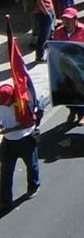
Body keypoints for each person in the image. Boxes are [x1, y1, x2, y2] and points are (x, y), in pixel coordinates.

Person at [51, 7, 84, 126]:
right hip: (65, 67)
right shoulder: (59, 31)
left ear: (76, 20)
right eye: (64, 19)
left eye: (69, 19)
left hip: (81, 67)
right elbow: (56, 48)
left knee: (80, 90)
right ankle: (72, 110)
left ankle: (82, 114)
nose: (66, 22)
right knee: (67, 91)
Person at [0, 82, 40, 211]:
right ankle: (5, 200)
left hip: (25, 139)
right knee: (6, 171)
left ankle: (33, 186)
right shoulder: (1, 104)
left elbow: (28, 124)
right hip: (8, 142)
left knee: (31, 165)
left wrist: (8, 130)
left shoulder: (23, 104)